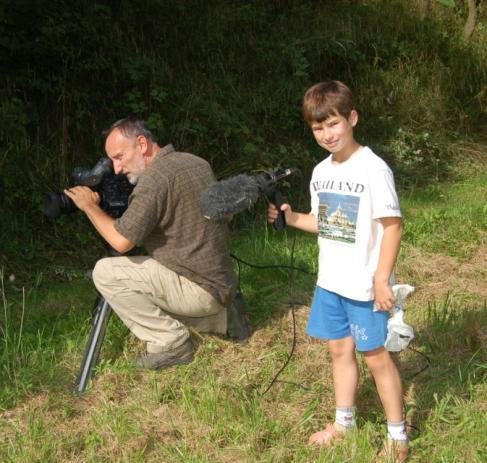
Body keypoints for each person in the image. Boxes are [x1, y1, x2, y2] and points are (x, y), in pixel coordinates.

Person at [268, 81, 408, 461]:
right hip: (330, 282)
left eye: (333, 124)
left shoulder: (373, 169)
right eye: (318, 128)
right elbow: (325, 222)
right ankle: (343, 425)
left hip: (365, 285)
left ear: (352, 118)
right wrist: (292, 217)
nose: (327, 134)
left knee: (376, 356)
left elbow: (392, 225)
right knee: (338, 350)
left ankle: (397, 435)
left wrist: (381, 279)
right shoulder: (319, 172)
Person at [65, 118, 249, 370]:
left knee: (106, 272)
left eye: (119, 157)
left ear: (141, 144)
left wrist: (89, 206)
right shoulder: (196, 162)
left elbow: (121, 241)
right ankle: (222, 318)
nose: (117, 169)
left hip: (197, 287)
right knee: (149, 291)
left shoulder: (154, 180)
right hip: (220, 283)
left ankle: (171, 343)